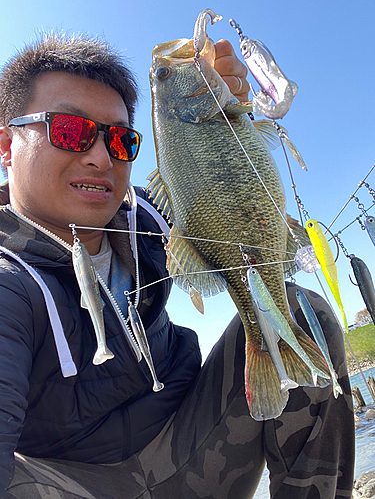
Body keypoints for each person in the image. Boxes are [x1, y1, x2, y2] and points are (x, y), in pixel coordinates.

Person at [0, 33, 354, 499]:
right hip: (82, 485)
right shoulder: (9, 284)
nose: (101, 156)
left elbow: (221, 192)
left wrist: (234, 111)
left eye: (121, 140)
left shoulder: (150, 217)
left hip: (197, 446)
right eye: (69, 130)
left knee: (299, 310)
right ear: (6, 146)